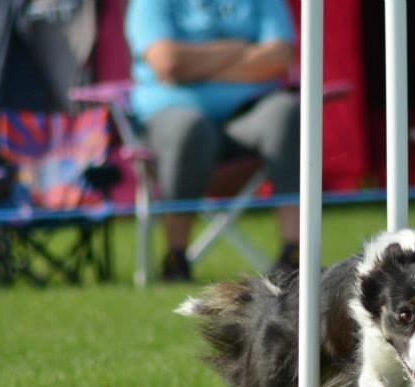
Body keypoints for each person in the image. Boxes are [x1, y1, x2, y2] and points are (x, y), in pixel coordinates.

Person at [125, 0, 300, 281]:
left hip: (251, 113)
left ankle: (293, 255)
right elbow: (167, 62)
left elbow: (279, 57)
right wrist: (237, 50)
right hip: (172, 116)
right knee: (190, 129)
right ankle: (177, 258)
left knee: (286, 113)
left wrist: (195, 67)